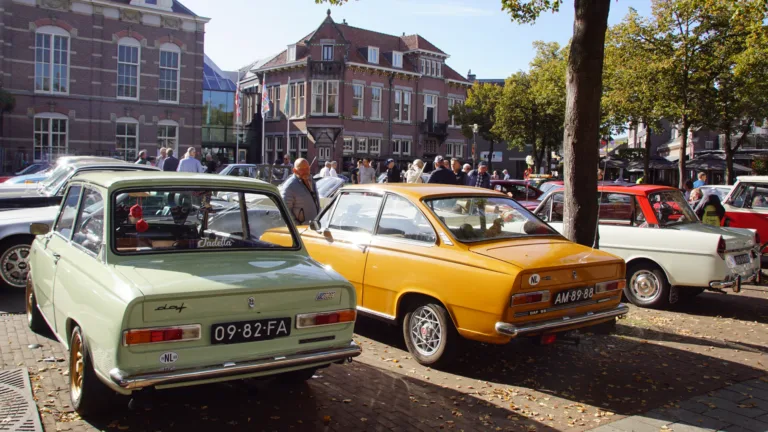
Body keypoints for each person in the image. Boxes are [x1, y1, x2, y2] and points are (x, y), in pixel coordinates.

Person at [280, 158, 320, 225]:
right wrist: (297, 226)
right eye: (302, 169)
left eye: (307, 168)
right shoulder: (290, 186)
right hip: (300, 230)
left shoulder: (311, 181)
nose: (306, 171)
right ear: (294, 170)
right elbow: (285, 210)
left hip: (313, 227)